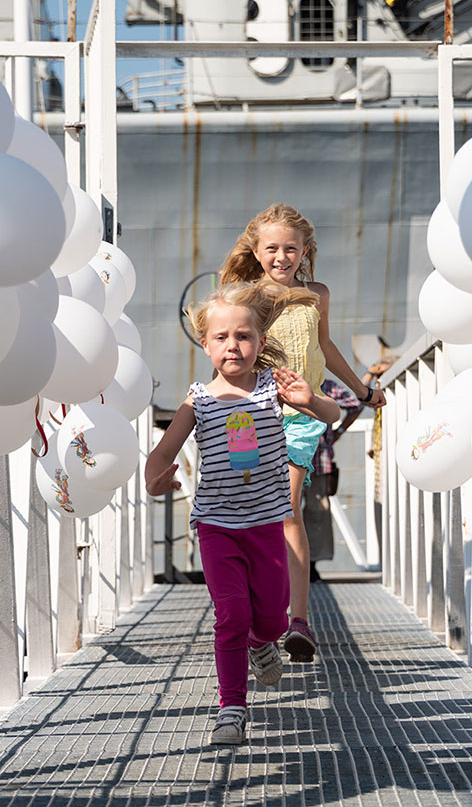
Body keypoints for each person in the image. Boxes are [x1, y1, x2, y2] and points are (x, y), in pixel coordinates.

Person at [144, 283, 339, 745]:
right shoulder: (198, 401)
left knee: (271, 621)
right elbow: (160, 454)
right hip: (217, 527)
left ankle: (261, 642)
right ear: (205, 342)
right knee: (230, 613)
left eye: (244, 336)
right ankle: (232, 707)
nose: (233, 345)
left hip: (267, 524)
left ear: (261, 340)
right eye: (222, 337)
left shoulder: (276, 389)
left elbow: (329, 414)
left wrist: (310, 400)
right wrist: (156, 481)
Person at [219, 203, 385, 663]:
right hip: (249, 414)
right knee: (251, 511)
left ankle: (299, 621)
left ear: (305, 251)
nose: (282, 257)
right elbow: (228, 349)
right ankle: (258, 621)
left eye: (291, 249)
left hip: (301, 414)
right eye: (271, 248)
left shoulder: (317, 295)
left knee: (287, 510)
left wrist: (363, 390)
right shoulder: (245, 296)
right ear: (256, 250)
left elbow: (325, 347)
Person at [304, 380, 365, 579]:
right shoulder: (284, 378)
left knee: (316, 511)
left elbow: (356, 404)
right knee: (292, 512)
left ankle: (310, 564)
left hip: (317, 458)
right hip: (287, 458)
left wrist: (337, 432)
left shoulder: (325, 385)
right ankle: (292, 563)